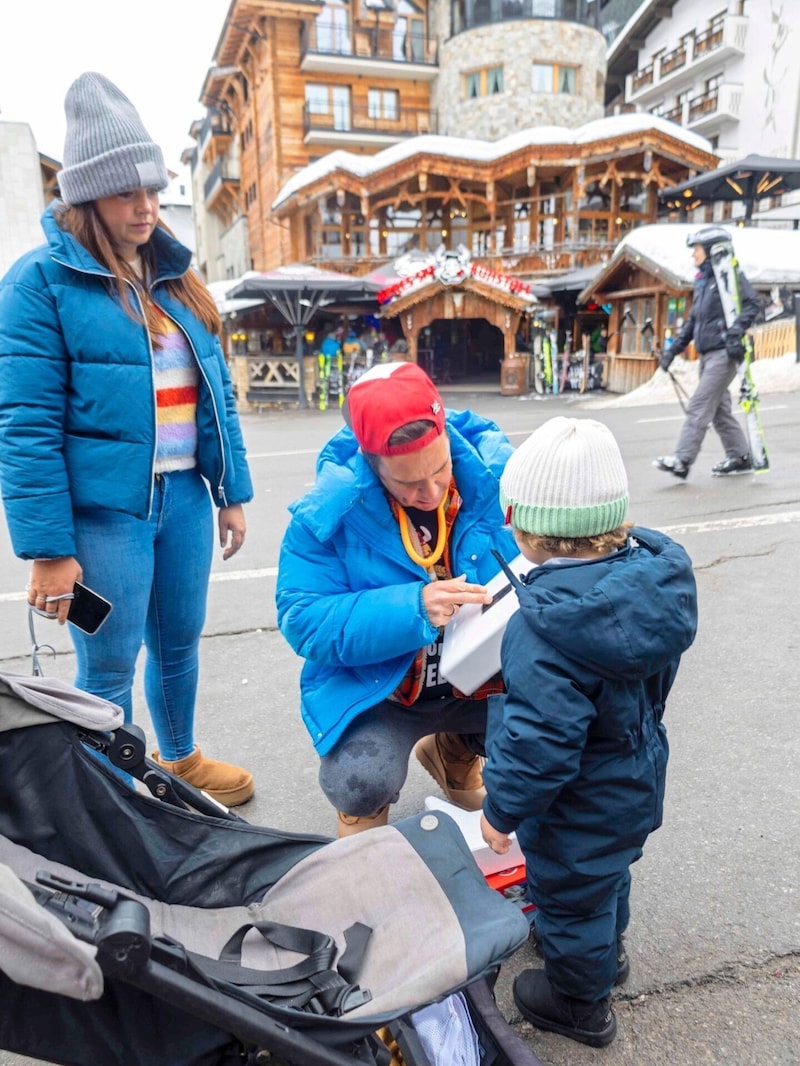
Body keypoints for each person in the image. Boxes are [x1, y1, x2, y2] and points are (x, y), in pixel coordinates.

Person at [0, 72, 255, 806]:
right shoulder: (39, 284)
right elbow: (25, 428)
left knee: (179, 643)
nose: (146, 207)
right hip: (101, 519)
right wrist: (50, 553)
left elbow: (218, 392)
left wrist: (230, 492)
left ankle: (178, 759)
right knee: (107, 659)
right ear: (86, 199)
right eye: (125, 194)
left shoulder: (176, 277)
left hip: (181, 502)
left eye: (152, 188)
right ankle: (112, 797)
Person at [480, 417, 698, 1047]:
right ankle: (609, 952)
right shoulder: (650, 590)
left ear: (524, 523)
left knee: (571, 891)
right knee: (608, 875)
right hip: (637, 770)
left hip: (577, 802)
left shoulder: (545, 629)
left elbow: (541, 744)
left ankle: (579, 1003)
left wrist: (500, 812)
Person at [275, 361, 517, 836]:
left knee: (555, 729)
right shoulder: (327, 513)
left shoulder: (500, 477)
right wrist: (413, 608)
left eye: (441, 467)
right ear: (371, 463)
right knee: (361, 781)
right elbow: (302, 618)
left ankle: (453, 754)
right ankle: (363, 819)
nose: (430, 491)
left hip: (481, 680)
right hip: (384, 693)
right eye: (408, 482)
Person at [654, 225, 759, 479]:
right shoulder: (703, 282)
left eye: (697, 250)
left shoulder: (729, 275)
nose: (693, 255)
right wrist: (672, 352)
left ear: (711, 250)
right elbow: (693, 322)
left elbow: (752, 305)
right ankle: (740, 456)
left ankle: (682, 460)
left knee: (699, 405)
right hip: (707, 355)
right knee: (719, 411)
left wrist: (735, 331)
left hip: (724, 354)